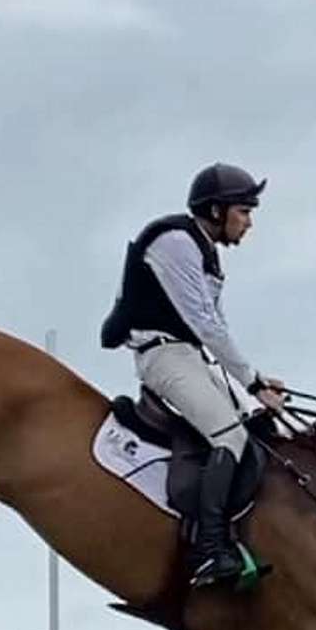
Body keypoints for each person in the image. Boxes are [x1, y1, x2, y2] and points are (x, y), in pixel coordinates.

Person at [101, 162, 288, 587]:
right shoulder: (176, 241)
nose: (250, 223)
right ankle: (211, 549)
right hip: (163, 356)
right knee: (230, 437)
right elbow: (206, 324)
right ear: (218, 211)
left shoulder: (207, 254)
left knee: (256, 425)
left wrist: (254, 387)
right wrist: (253, 382)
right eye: (244, 211)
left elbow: (213, 330)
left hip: (190, 356)